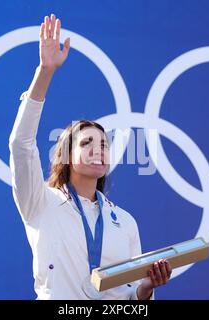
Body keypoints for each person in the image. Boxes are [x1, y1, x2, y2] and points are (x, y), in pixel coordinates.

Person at [9, 13, 172, 300]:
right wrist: (45, 72)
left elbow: (133, 300)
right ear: (67, 157)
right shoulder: (39, 201)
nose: (99, 148)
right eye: (87, 142)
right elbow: (21, 144)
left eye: (104, 143)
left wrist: (147, 289)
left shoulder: (125, 221)